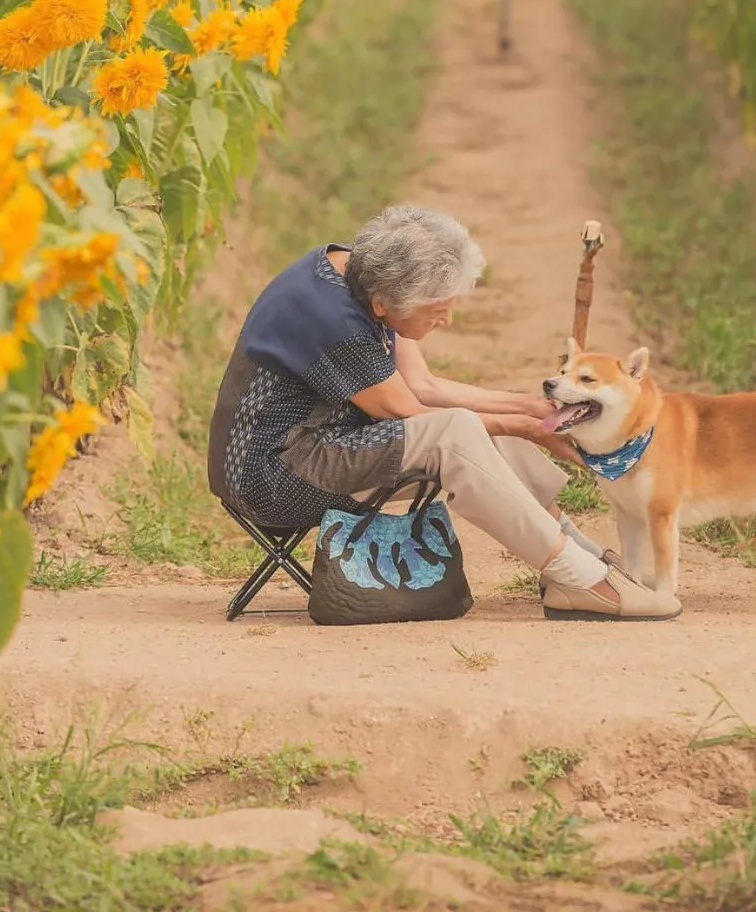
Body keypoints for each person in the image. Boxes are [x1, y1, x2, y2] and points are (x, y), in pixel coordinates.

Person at [208, 205, 681, 622]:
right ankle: (578, 579)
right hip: (274, 477)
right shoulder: (333, 318)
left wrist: (529, 409)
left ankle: (578, 554)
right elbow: (414, 415)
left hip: (317, 445)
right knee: (458, 430)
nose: (447, 320)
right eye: (438, 310)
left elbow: (425, 386)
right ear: (385, 303)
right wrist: (525, 426)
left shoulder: (367, 272)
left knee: (471, 420)